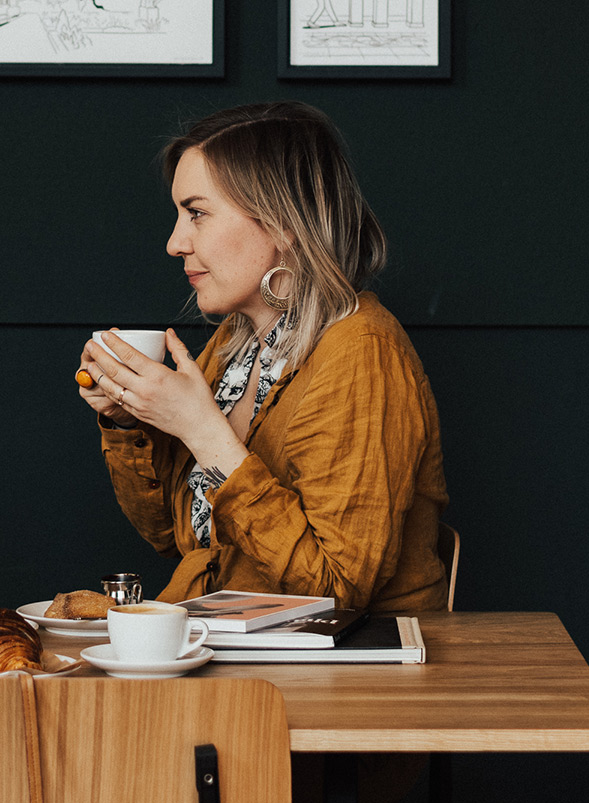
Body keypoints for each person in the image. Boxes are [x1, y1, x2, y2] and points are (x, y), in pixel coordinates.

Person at [79, 100, 449, 615]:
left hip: (349, 676)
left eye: (198, 213)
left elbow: (335, 593)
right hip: (234, 649)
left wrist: (204, 431)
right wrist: (127, 418)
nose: (174, 242)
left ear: (283, 222)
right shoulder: (238, 343)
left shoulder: (361, 352)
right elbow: (173, 536)